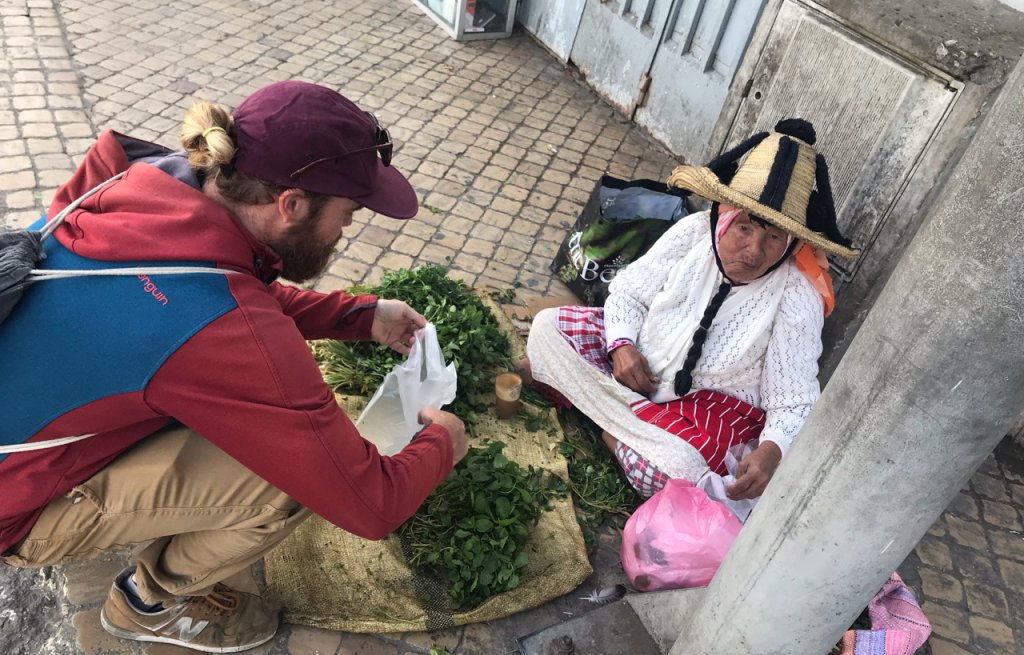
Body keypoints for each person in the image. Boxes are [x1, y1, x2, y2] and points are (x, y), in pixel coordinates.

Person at [0, 80, 469, 653]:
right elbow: (367, 502)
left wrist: (360, 315)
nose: (346, 231)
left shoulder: (143, 177)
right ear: (290, 205)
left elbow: (200, 289)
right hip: (15, 507)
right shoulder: (219, 325)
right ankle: (149, 602)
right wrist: (442, 443)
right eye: (346, 215)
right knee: (293, 482)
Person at [524, 118, 858, 503]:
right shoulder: (695, 231)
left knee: (681, 471)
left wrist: (772, 449)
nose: (754, 251)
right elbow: (630, 292)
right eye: (745, 228)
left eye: (774, 237)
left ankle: (598, 414)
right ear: (725, 213)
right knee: (547, 327)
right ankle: (621, 429)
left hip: (702, 411)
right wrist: (620, 345)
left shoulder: (798, 293)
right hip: (637, 368)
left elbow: (793, 397)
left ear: (790, 242)